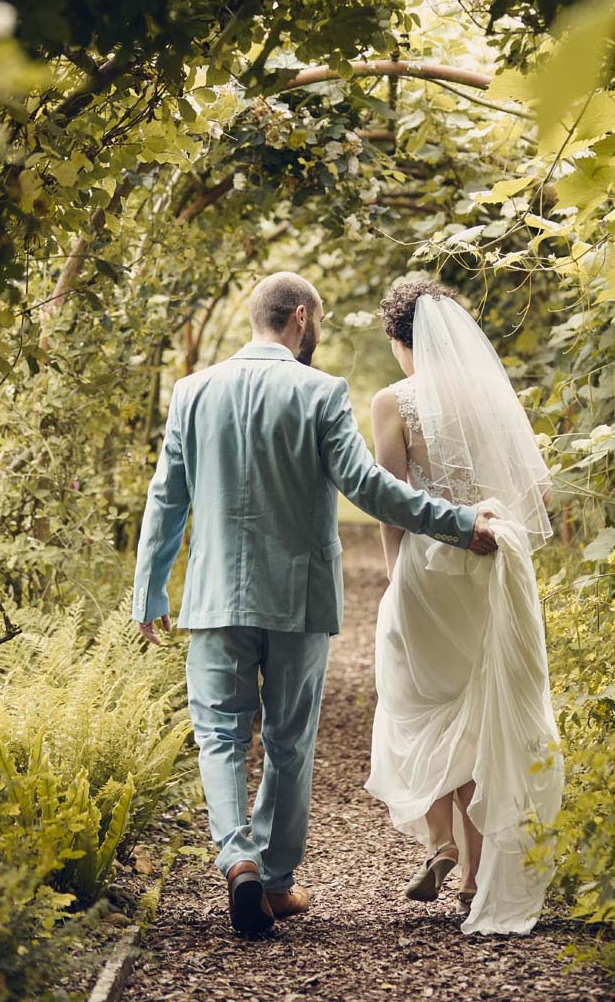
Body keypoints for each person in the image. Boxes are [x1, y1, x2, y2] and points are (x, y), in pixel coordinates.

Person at [131, 272, 497, 935]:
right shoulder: (320, 392)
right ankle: (273, 881)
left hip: (214, 597)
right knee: (287, 741)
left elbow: (167, 498)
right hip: (297, 597)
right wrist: (456, 521)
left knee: (218, 737)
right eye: (317, 320)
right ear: (300, 318)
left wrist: (148, 591)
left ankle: (236, 859)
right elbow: (368, 486)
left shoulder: (192, 392)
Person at [365, 281, 563, 935]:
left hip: (431, 560)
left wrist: (396, 578)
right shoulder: (491, 397)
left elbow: (392, 502)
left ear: (401, 342)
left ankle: (442, 844)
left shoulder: (393, 401)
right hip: (498, 556)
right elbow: (535, 486)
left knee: (423, 697)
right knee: (489, 703)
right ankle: (478, 875)